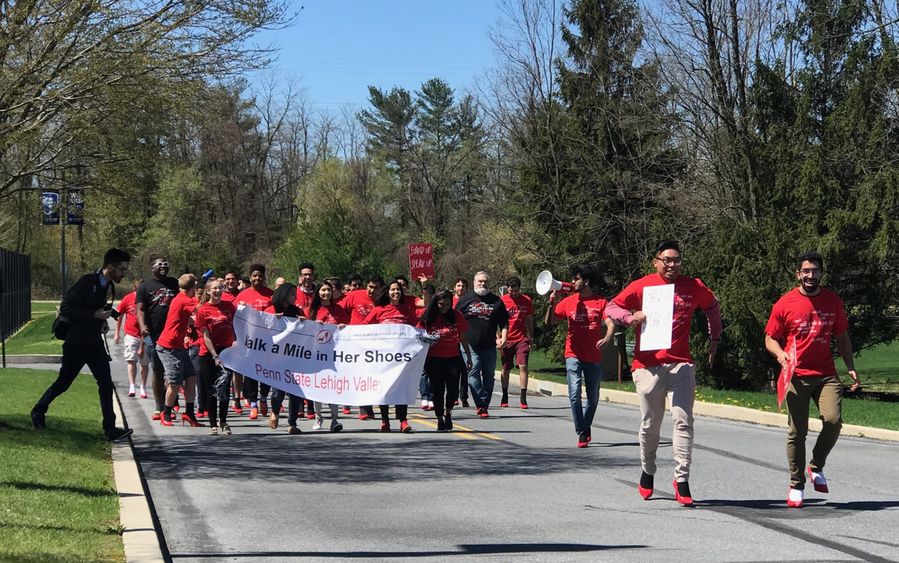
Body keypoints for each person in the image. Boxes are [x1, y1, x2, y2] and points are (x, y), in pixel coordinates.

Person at [606, 240, 721, 507]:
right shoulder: (642, 285)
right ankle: (648, 469)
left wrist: (714, 339)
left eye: (677, 260)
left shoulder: (693, 286)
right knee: (650, 424)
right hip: (647, 366)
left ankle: (682, 480)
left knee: (683, 420)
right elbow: (611, 307)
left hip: (681, 363)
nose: (672, 265)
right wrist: (630, 317)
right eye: (666, 260)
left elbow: (713, 307)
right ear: (655, 261)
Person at [764, 251, 861, 509]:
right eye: (806, 271)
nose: (810, 275)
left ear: (821, 273)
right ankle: (796, 484)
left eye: (815, 271)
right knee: (797, 432)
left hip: (826, 374)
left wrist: (850, 366)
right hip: (796, 375)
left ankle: (816, 465)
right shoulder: (785, 304)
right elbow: (770, 338)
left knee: (833, 420)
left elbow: (841, 336)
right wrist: (780, 354)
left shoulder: (832, 302)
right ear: (798, 274)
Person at [31, 248, 134, 442]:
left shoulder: (107, 285)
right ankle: (38, 411)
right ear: (110, 267)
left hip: (94, 343)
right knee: (63, 383)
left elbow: (92, 308)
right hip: (76, 344)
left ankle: (110, 429)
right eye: (122, 269)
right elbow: (66, 307)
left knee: (105, 383)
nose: (124, 273)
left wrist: (101, 320)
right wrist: (94, 315)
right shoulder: (87, 282)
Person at [545, 266, 615, 447]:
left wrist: (607, 337)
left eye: (576, 279)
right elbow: (550, 321)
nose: (573, 282)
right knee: (574, 393)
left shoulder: (600, 302)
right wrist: (552, 303)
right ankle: (582, 433)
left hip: (593, 355)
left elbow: (610, 323)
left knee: (593, 398)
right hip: (572, 354)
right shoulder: (569, 301)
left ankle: (585, 424)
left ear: (586, 281)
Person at [364, 279, 417, 432]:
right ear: (387, 292)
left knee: (401, 389)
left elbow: (415, 328)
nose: (396, 292)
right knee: (384, 389)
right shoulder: (379, 309)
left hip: (401, 359)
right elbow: (366, 328)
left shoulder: (406, 310)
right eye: (393, 290)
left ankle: (403, 421)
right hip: (383, 359)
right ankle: (385, 421)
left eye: (398, 290)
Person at [456, 271, 508, 418]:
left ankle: (484, 404)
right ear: (474, 283)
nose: (482, 284)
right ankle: (481, 403)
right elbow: (455, 320)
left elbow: (504, 322)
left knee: (489, 377)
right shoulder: (465, 300)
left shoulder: (496, 301)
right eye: (480, 281)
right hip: (470, 345)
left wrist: (504, 337)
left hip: (490, 346)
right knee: (473, 374)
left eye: (485, 281)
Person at [418, 290, 473, 431]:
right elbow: (418, 335)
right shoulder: (428, 317)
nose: (444, 307)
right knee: (437, 390)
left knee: (453, 389)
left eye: (448, 304)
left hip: (453, 358)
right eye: (441, 304)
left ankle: (448, 412)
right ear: (436, 303)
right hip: (433, 359)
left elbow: (463, 337)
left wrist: (468, 355)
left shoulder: (456, 316)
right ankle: (439, 418)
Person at [135, 257, 179, 421]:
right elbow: (139, 310)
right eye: (159, 265)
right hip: (153, 335)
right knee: (157, 370)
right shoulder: (144, 287)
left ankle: (170, 405)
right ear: (151, 268)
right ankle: (159, 405)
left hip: (173, 333)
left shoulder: (175, 284)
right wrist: (142, 326)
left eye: (166, 264)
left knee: (172, 371)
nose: (163, 267)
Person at [155, 274, 201, 427]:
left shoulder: (180, 298)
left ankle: (189, 412)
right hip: (168, 347)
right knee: (175, 383)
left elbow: (190, 319)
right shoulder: (184, 299)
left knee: (191, 377)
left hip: (178, 346)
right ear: (193, 288)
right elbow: (202, 308)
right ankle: (166, 412)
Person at [305, 280, 349, 432]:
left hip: (334, 356)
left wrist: (343, 327)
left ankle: (335, 420)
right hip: (316, 356)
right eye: (323, 290)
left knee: (333, 389)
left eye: (328, 290)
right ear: (318, 292)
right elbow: (303, 331)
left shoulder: (339, 309)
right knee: (318, 388)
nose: (326, 293)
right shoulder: (312, 310)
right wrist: (312, 325)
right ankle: (318, 418)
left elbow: (348, 330)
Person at [195, 278, 237, 435]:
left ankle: (224, 422)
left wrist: (235, 343)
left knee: (224, 389)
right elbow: (205, 336)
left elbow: (238, 325)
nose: (218, 291)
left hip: (227, 352)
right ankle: (213, 424)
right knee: (212, 389)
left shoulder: (229, 307)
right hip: (208, 355)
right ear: (208, 291)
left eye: (220, 288)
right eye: (214, 289)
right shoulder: (203, 310)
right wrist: (214, 355)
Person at [266, 283, 307, 434]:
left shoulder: (297, 311)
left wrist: (304, 323)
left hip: (294, 357)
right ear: (283, 295)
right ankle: (275, 412)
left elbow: (306, 333)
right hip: (276, 358)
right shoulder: (271, 310)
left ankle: (292, 423)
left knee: (295, 392)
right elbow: (262, 330)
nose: (295, 297)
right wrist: (272, 320)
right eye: (292, 294)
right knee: (278, 391)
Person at [341, 275, 384, 420]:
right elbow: (339, 309)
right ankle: (364, 408)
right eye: (370, 286)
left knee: (372, 377)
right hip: (355, 342)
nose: (371, 290)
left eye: (376, 288)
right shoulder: (355, 295)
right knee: (360, 375)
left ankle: (368, 406)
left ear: (381, 289)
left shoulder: (383, 301)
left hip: (375, 344)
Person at [236, 264, 274, 420]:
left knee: (265, 372)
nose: (257, 278)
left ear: (264, 277)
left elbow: (276, 316)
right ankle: (253, 404)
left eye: (260, 276)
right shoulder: (242, 295)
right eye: (254, 275)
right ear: (250, 277)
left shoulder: (271, 295)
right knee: (250, 372)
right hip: (248, 340)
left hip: (267, 340)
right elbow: (236, 317)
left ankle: (264, 398)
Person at [500, 276, 534, 409]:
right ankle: (504, 395)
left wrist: (531, 337)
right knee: (506, 369)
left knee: (523, 365)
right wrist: (498, 337)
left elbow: (530, 319)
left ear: (519, 288)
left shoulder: (526, 301)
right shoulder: (503, 301)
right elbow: (496, 321)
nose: (513, 292)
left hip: (522, 338)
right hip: (507, 339)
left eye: (516, 290)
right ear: (507, 289)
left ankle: (523, 397)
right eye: (511, 290)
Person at [114, 278, 149, 399]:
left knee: (144, 363)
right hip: (131, 334)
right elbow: (119, 315)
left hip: (145, 336)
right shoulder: (128, 299)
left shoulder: (148, 300)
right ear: (134, 289)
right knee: (131, 360)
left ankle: (143, 386)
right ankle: (132, 385)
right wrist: (117, 333)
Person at [295, 262, 317, 419]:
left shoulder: (320, 293)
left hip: (315, 338)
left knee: (312, 373)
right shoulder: (293, 292)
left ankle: (311, 406)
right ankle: (298, 405)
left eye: (310, 274)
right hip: (296, 339)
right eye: (304, 275)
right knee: (297, 373)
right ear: (300, 277)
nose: (307, 277)